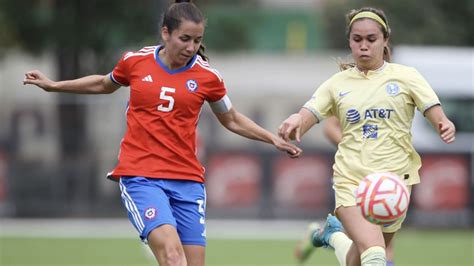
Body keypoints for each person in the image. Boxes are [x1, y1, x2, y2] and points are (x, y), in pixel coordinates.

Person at [23, 1, 302, 265]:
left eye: (197, 40)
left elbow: (231, 119)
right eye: (185, 39)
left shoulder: (208, 77)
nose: (191, 47)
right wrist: (55, 85)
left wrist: (272, 138)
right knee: (172, 256)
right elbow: (103, 84)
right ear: (165, 33)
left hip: (187, 181)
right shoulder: (136, 62)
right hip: (141, 176)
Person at [279, 6, 455, 266]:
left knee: (359, 259)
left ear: (385, 40)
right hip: (352, 180)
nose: (363, 46)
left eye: (371, 39)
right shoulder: (338, 83)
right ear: (349, 41)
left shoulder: (406, 76)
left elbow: (431, 107)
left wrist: (442, 122)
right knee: (375, 254)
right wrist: (297, 119)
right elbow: (311, 112)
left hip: (394, 184)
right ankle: (334, 234)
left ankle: (331, 236)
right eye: (357, 39)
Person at [295, 116, 396, 265]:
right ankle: (329, 235)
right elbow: (330, 127)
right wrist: (357, 151)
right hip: (354, 174)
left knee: (372, 244)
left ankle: (326, 235)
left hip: (386, 173)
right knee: (370, 244)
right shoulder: (352, 94)